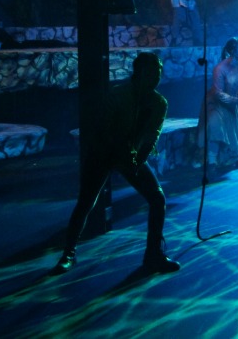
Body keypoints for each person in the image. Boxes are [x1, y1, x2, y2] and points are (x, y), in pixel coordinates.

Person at [50, 52, 179, 276]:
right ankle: (68, 254)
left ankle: (153, 254)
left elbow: (151, 137)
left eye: (159, 72)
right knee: (86, 202)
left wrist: (138, 160)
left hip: (129, 156)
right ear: (139, 73)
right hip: (103, 153)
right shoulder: (118, 95)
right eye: (152, 72)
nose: (157, 77)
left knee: (157, 198)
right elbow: (104, 131)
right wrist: (123, 153)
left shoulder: (159, 103)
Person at [197, 37, 238, 170]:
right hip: (215, 103)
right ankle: (211, 162)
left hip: (231, 103)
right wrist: (237, 101)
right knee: (214, 126)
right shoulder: (220, 68)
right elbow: (218, 93)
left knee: (236, 129)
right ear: (233, 51)